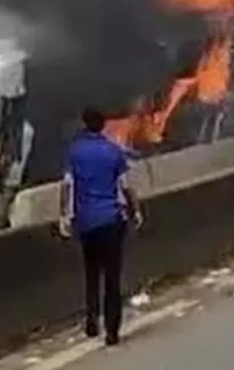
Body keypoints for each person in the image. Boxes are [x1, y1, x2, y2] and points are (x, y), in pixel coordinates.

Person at [58, 107, 144, 346]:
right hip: (111, 221)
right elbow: (126, 186)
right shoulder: (113, 151)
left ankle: (92, 318)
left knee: (91, 272)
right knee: (112, 277)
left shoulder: (74, 152)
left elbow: (66, 186)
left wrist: (64, 216)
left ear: (84, 124)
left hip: (86, 222)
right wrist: (136, 211)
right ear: (103, 125)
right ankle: (112, 331)